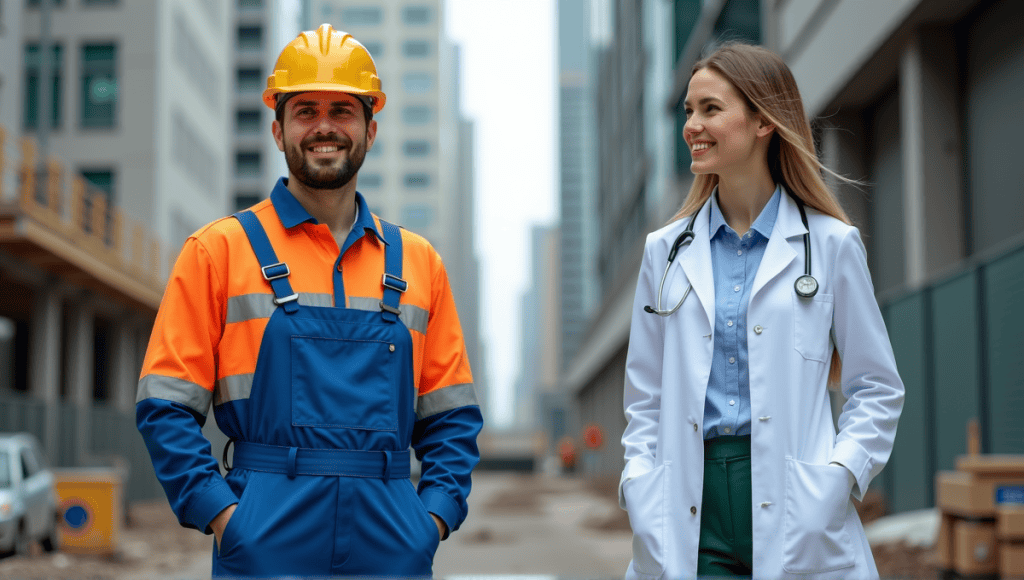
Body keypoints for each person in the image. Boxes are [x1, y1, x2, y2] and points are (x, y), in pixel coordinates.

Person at [136, 24, 483, 578]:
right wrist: (225, 517)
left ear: (372, 128)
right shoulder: (217, 252)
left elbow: (452, 420)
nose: (325, 127)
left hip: (391, 537)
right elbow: (164, 405)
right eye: (306, 111)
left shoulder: (420, 264)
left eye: (343, 110)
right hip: (263, 535)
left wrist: (432, 520)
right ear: (278, 129)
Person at [619, 43, 904, 579]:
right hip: (689, 500)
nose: (692, 126)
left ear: (763, 123)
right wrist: (638, 481)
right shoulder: (665, 251)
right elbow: (645, 397)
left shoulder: (831, 244)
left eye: (710, 109)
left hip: (798, 499)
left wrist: (839, 476)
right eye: (688, 110)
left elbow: (877, 387)